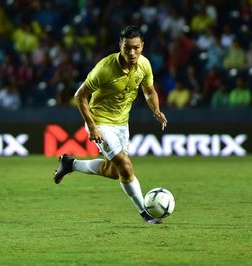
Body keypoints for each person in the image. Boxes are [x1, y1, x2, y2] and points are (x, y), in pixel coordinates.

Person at [53, 25, 168, 224]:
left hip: (122, 124)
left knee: (115, 172)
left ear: (142, 46)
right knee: (126, 166)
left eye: (136, 48)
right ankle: (146, 213)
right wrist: (92, 126)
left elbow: (149, 91)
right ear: (120, 46)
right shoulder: (105, 69)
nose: (132, 53)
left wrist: (156, 110)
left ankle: (70, 164)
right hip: (100, 122)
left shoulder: (144, 65)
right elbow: (79, 96)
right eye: (127, 48)